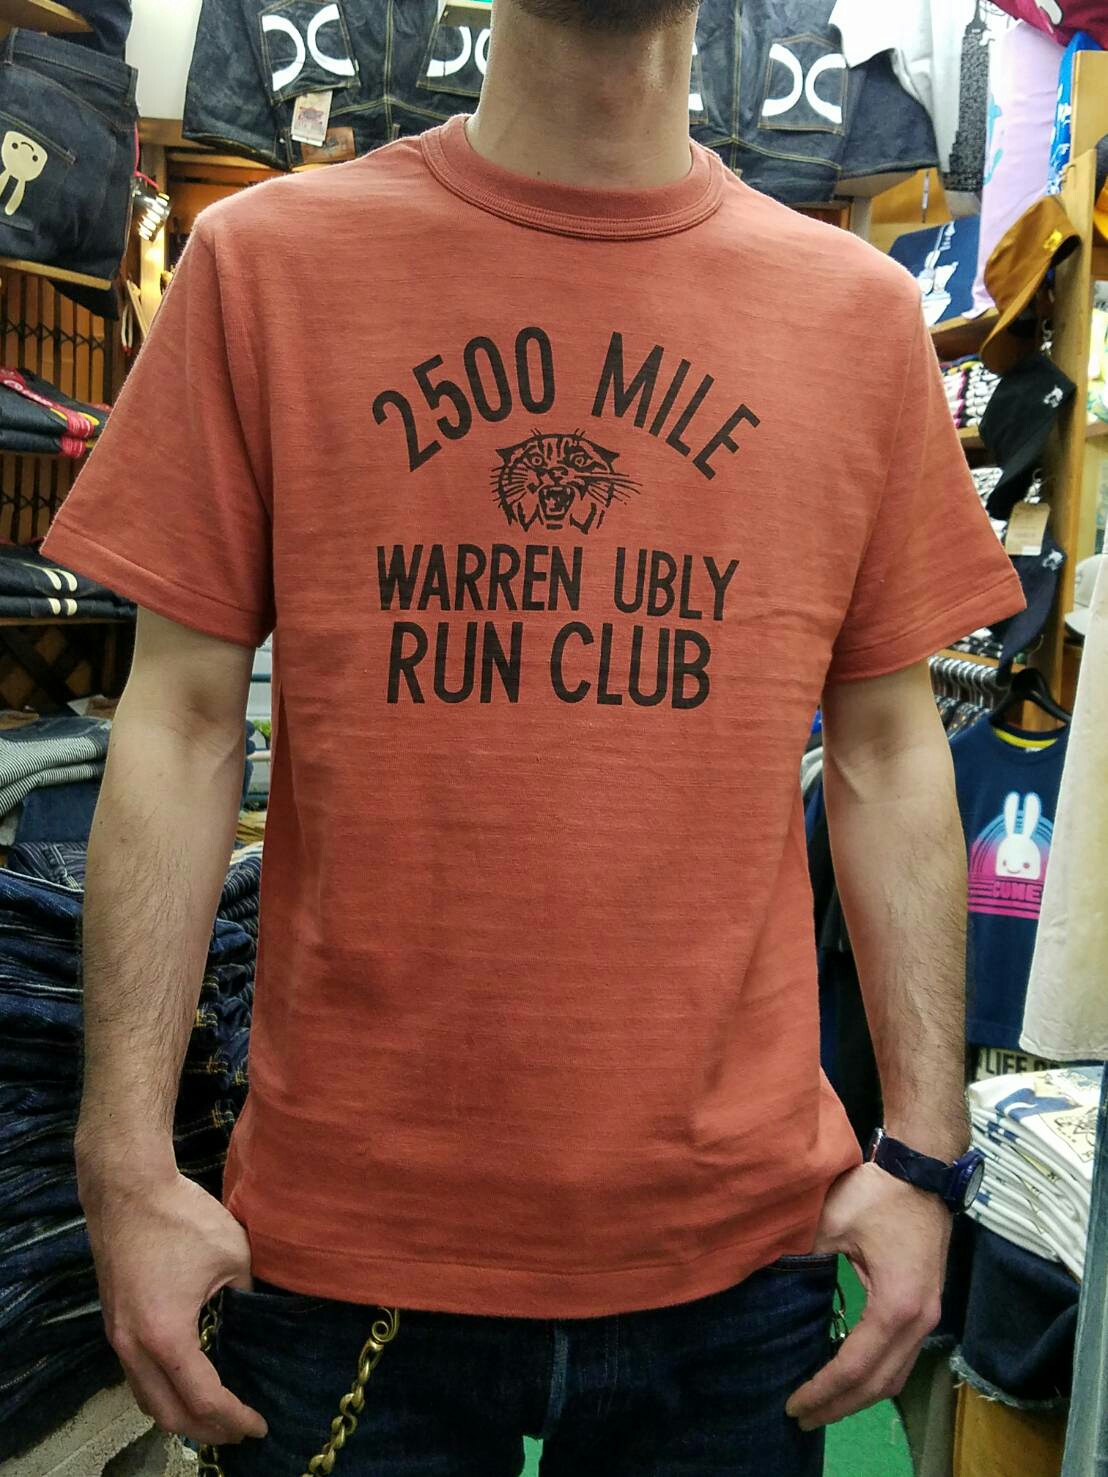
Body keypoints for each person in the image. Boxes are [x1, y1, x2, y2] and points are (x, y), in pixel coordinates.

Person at [43, 1, 1024, 1472]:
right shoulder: (267, 269)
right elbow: (178, 726)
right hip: (344, 1254)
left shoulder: (857, 315)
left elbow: (890, 752)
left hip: (738, 1261)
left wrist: (926, 1155)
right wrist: (122, 1161)